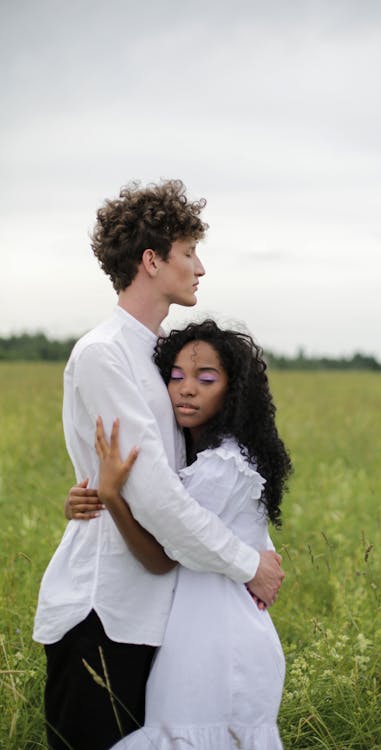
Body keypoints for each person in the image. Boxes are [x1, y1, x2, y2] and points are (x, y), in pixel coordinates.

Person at [33, 181, 284, 750]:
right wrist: (248, 564)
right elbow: (153, 495)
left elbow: (206, 474)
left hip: (163, 618)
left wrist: (258, 541)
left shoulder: (164, 355)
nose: (200, 267)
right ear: (152, 261)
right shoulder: (104, 354)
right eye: (188, 251)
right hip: (105, 613)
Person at [67, 319, 292, 749]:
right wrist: (82, 499)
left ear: (233, 392)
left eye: (206, 379)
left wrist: (112, 496)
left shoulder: (220, 468)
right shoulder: (219, 459)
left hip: (216, 646)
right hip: (210, 636)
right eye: (175, 377)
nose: (186, 389)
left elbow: (160, 554)